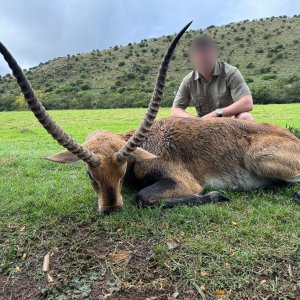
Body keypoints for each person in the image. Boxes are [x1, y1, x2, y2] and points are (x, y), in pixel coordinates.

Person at [171, 35, 254, 120]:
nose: (203, 58)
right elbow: (176, 110)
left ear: (215, 54)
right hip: (203, 125)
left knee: (245, 117)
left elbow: (247, 103)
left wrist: (216, 114)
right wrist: (196, 121)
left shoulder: (230, 72)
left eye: (206, 53)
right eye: (199, 55)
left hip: (229, 122)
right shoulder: (188, 81)